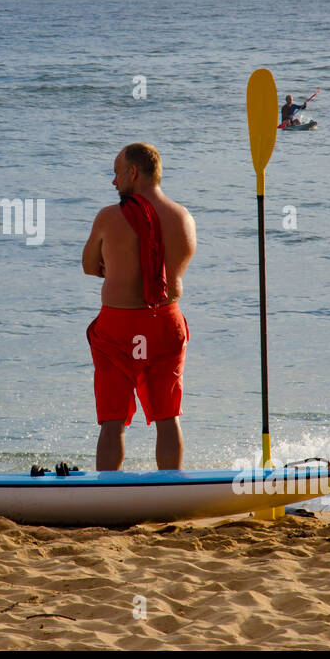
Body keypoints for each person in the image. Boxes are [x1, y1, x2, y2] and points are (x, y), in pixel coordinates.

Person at [81, 143, 197, 471]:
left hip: (119, 328)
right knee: (167, 416)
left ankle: (107, 493)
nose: (114, 182)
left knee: (113, 420)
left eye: (117, 172)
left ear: (133, 173)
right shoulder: (183, 217)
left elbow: (90, 266)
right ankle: (171, 488)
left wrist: (116, 263)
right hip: (165, 323)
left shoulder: (109, 216)